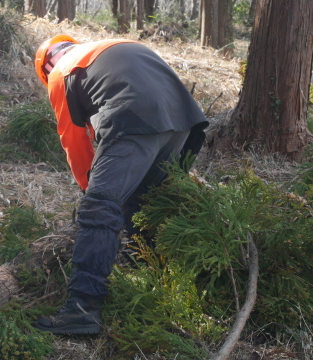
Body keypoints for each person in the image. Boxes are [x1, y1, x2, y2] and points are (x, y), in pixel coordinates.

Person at [33, 35, 209, 335]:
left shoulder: (62, 71)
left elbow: (74, 141)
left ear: (45, 67)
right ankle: (149, 282)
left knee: (101, 205)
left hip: (134, 117)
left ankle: (82, 309)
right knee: (143, 202)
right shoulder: (109, 48)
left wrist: (91, 190)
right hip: (182, 119)